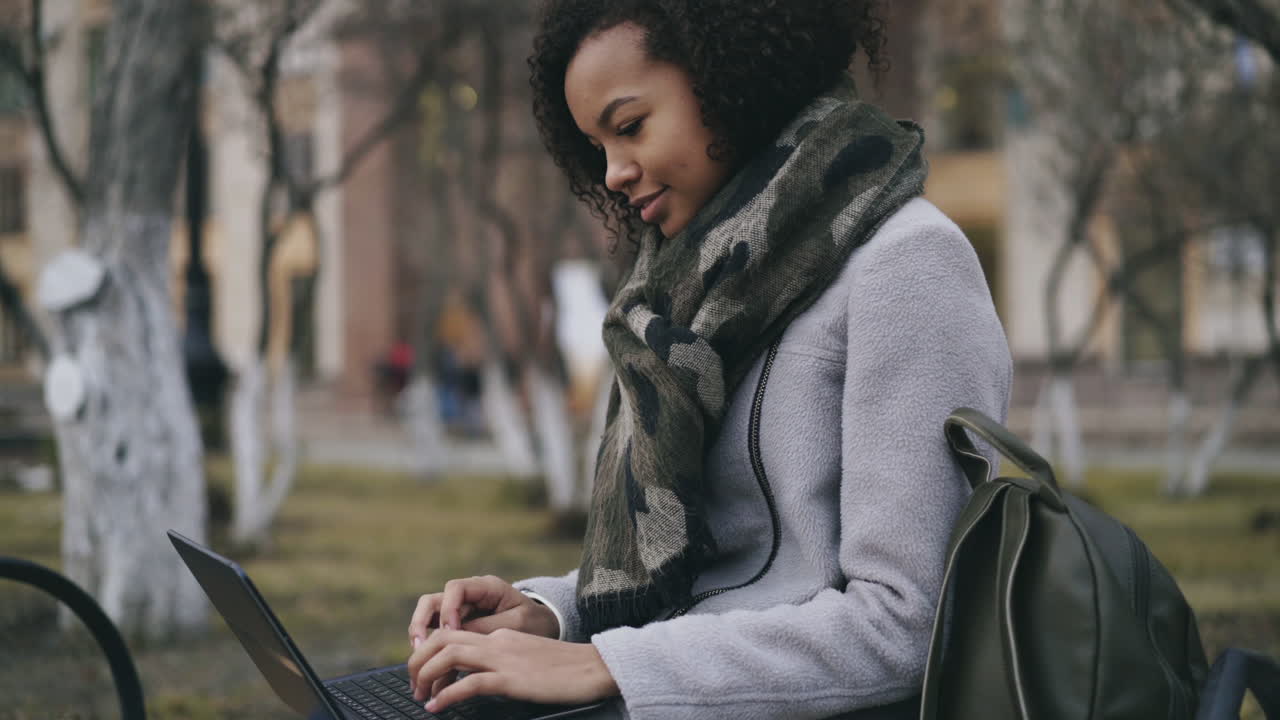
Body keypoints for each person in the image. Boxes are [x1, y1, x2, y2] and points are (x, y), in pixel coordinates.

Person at [406, 1, 1012, 718]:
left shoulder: (907, 266)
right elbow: (715, 564)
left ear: (732, 79)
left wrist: (608, 666)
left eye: (629, 127)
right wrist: (549, 614)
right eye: (597, 146)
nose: (614, 174)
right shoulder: (689, 288)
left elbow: (907, 627)